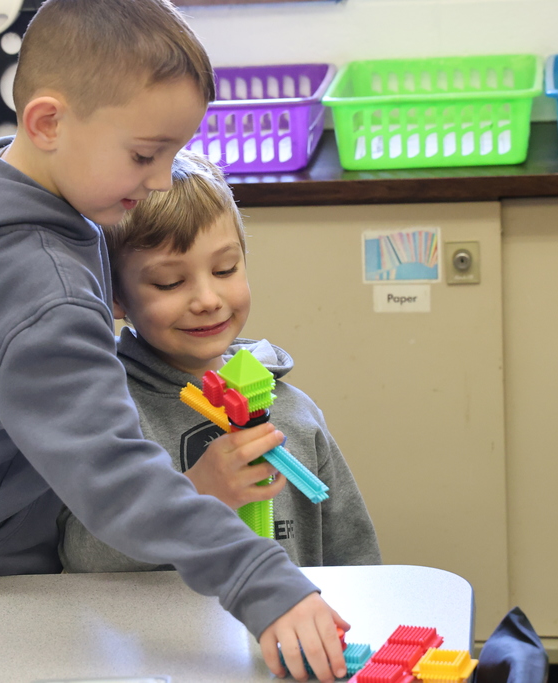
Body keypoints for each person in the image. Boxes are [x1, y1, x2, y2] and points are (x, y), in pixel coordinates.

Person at [0, 0, 349, 680]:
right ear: (49, 121)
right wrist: (263, 582)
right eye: (146, 155)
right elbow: (117, 477)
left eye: (173, 153)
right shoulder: (42, 289)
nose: (160, 182)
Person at [58, 149, 381, 575]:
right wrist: (195, 492)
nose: (208, 301)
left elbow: (356, 561)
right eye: (169, 282)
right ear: (116, 296)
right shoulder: (108, 417)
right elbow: (81, 557)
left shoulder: (295, 415)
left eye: (226, 269)